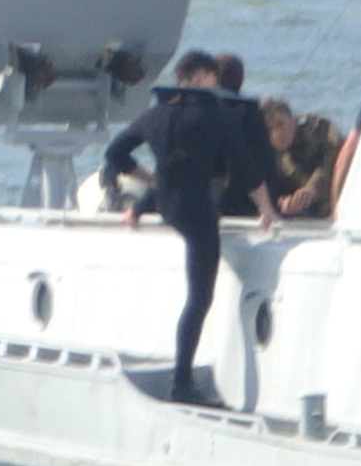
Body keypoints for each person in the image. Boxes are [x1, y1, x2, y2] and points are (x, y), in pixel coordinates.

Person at [99, 50, 277, 407]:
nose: (216, 83)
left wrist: (152, 180)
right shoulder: (214, 115)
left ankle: (184, 378)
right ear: (197, 77)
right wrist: (266, 207)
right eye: (211, 76)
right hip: (197, 211)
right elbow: (244, 166)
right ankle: (182, 382)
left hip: (166, 204)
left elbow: (115, 154)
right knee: (200, 298)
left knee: (196, 296)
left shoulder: (155, 114)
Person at [260, 99, 343, 219]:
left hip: (339, 198)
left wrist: (312, 188)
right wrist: (284, 202)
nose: (278, 133)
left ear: (294, 120)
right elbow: (272, 188)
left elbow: (336, 158)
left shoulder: (318, 130)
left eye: (280, 124)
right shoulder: (270, 154)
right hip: (308, 214)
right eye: (269, 130)